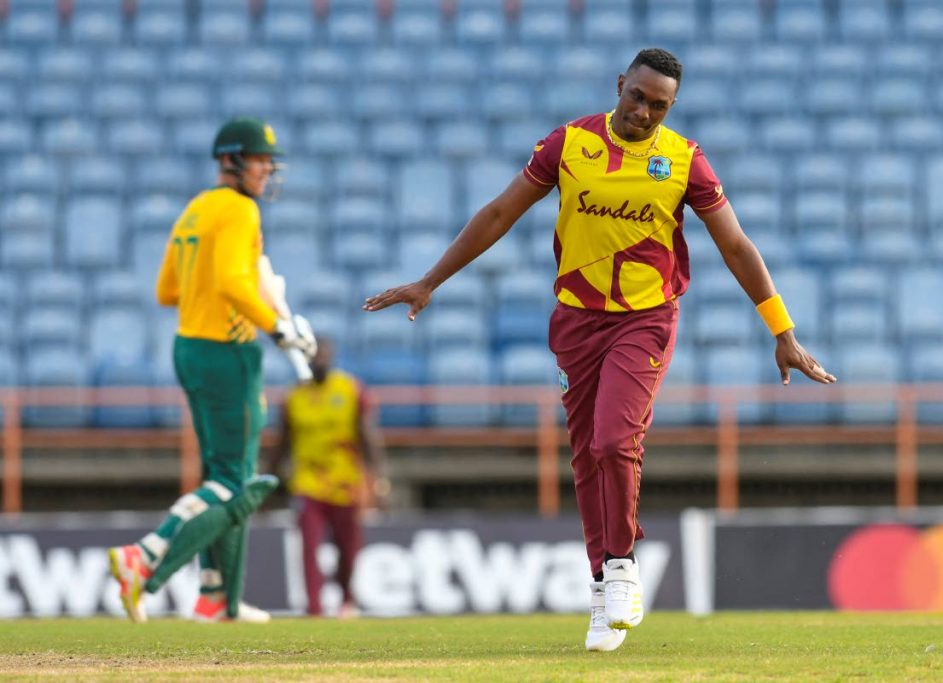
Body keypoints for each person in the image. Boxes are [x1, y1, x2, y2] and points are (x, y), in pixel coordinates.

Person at [363, 48, 836, 651]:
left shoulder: (685, 162)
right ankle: (601, 587)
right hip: (577, 321)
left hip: (644, 321)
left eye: (658, 106)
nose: (643, 112)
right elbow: (502, 210)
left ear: (672, 107)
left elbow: (737, 245)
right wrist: (430, 280)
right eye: (636, 97)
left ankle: (621, 564)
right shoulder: (569, 144)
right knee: (587, 455)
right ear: (620, 85)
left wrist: (782, 330)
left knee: (615, 440)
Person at [107, 116, 316, 624]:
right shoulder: (240, 210)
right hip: (228, 351)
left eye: (270, 160)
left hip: (188, 348)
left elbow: (166, 290)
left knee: (220, 475)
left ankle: (216, 596)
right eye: (260, 159)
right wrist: (277, 326)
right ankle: (145, 556)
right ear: (231, 160)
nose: (267, 169)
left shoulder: (196, 209)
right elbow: (229, 280)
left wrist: (220, 292)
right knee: (232, 481)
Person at [268, 338, 389, 618]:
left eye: (323, 356)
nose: (319, 361)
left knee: (347, 549)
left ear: (331, 357)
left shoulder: (350, 389)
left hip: (345, 482)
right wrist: (269, 479)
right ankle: (314, 610)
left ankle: (347, 599)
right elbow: (281, 443)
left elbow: (368, 436)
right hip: (308, 483)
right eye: (314, 356)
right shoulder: (293, 397)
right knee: (309, 546)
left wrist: (379, 479)